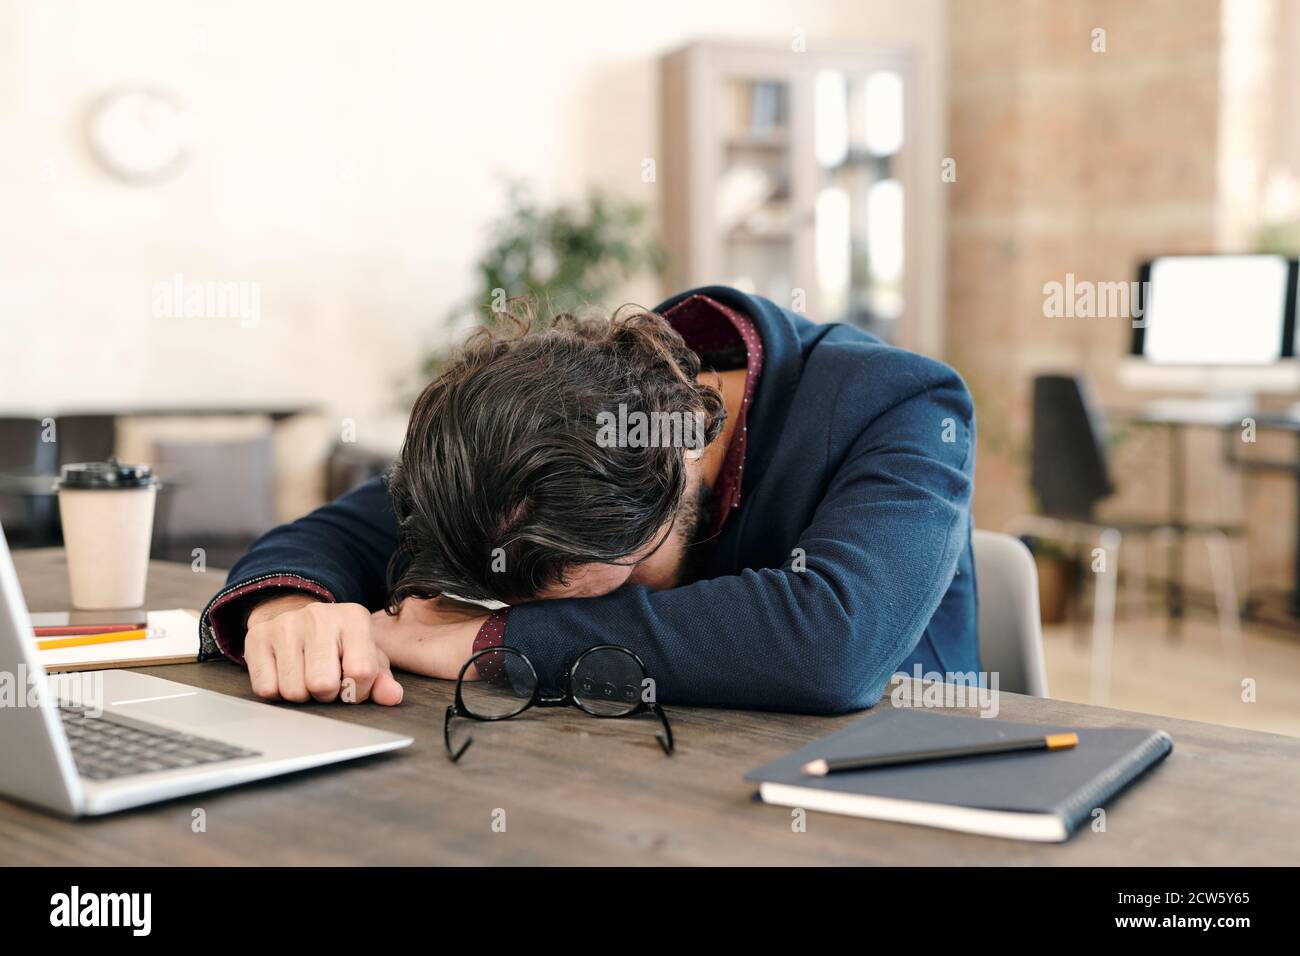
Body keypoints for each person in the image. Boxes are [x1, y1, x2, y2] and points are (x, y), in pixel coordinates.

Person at [200, 285, 978, 714]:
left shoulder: (901, 404)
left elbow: (832, 646)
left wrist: (493, 641)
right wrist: (287, 615)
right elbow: (338, 534)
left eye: (619, 574)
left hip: (897, 790)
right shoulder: (553, 415)